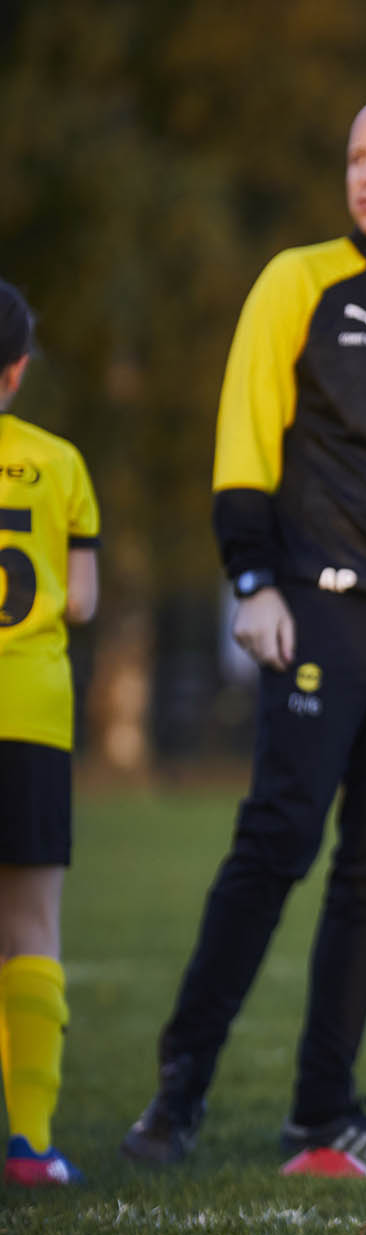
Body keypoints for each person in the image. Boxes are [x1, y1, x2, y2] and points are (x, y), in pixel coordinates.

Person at [122, 93, 366, 1169]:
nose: (364, 174)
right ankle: (177, 1094)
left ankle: (320, 1104)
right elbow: (245, 441)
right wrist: (251, 581)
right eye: (354, 155)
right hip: (319, 615)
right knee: (276, 842)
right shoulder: (297, 281)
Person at [0, 281, 100, 1187]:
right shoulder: (59, 461)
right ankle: (30, 1141)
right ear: (18, 369)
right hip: (29, 711)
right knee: (29, 925)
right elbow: (81, 598)